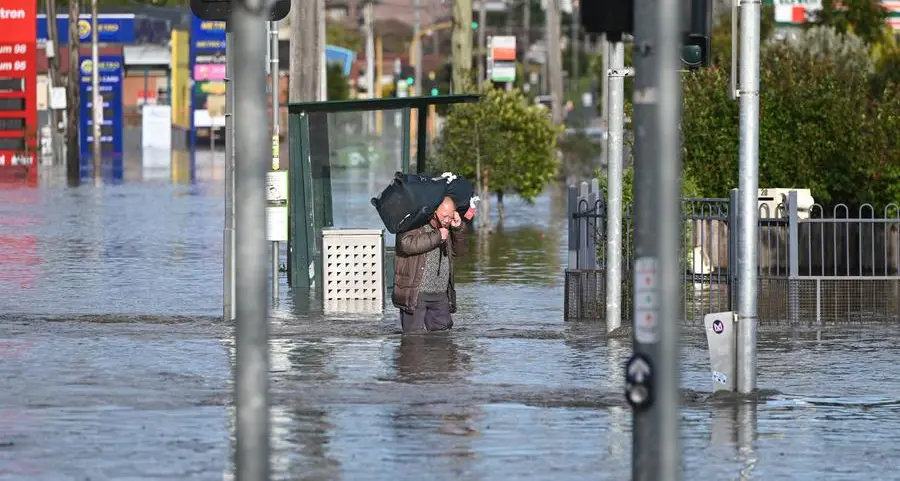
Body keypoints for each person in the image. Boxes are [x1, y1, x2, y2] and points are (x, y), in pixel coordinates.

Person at [392, 196, 468, 333]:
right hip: (415, 294)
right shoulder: (413, 222)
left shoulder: (449, 227)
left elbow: (460, 251)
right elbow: (405, 244)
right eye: (444, 216)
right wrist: (438, 236)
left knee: (443, 343)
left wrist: (458, 229)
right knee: (413, 343)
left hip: (440, 295)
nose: (447, 220)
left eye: (450, 217)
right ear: (433, 211)